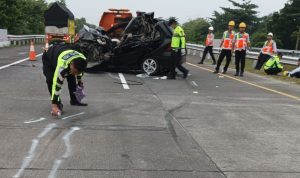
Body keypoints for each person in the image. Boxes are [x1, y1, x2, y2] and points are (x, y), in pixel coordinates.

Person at [42, 44, 88, 116]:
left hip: (63, 52)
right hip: (49, 57)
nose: (76, 74)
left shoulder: (82, 59)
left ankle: (74, 100)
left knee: (71, 76)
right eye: (75, 71)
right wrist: (54, 105)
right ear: (71, 64)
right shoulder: (62, 66)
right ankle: (58, 104)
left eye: (77, 73)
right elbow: (57, 84)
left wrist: (79, 80)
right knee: (50, 80)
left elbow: (80, 71)